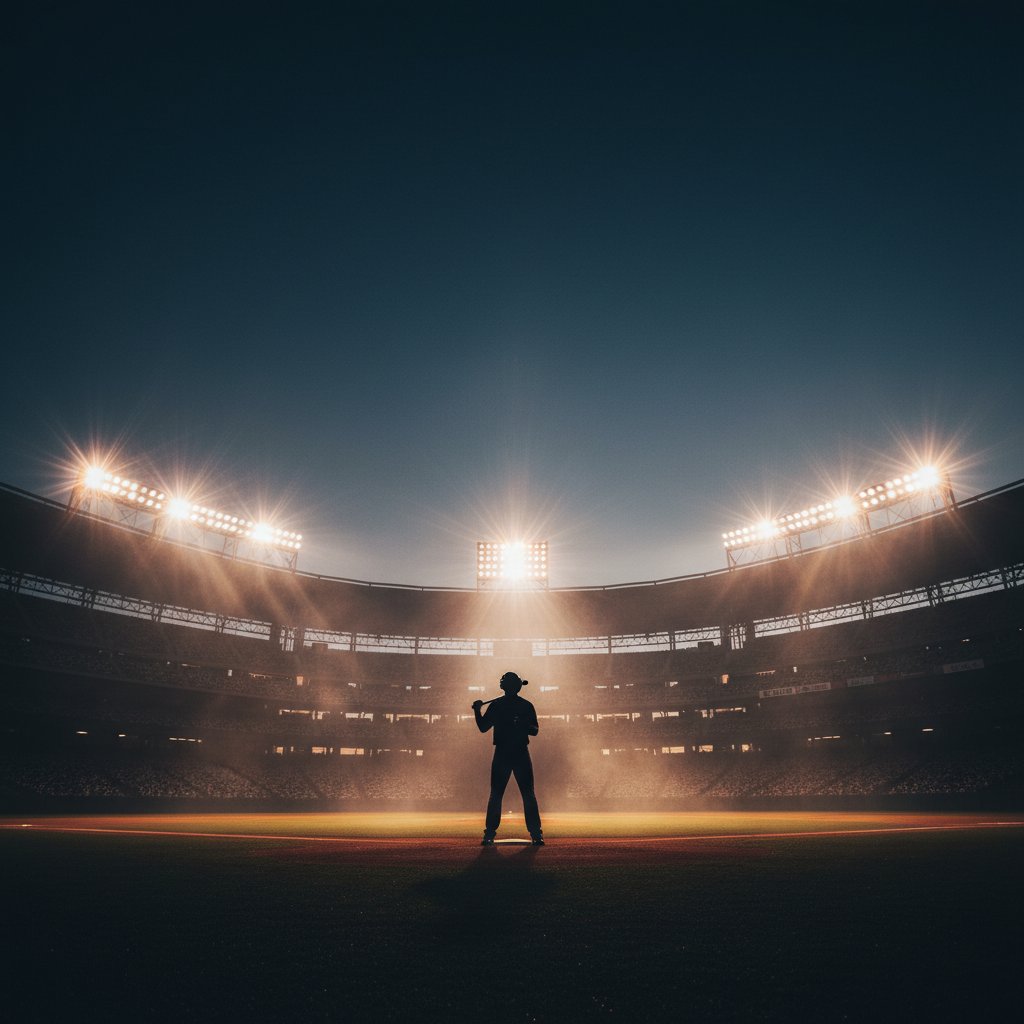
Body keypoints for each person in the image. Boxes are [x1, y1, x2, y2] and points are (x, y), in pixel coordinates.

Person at [473, 671, 544, 846]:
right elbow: (534, 730)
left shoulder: (498, 705)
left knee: (497, 795)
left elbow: (483, 727)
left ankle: (489, 834)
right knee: (527, 795)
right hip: (518, 752)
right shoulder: (525, 705)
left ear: (502, 686)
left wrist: (477, 711)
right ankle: (536, 834)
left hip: (505, 752)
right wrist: (478, 711)